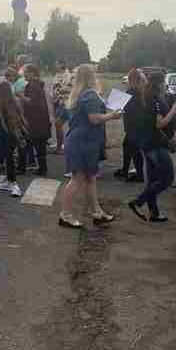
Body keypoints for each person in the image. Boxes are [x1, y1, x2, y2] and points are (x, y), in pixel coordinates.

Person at [59, 64, 121, 228]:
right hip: (83, 141)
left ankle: (97, 212)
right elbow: (94, 119)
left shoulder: (81, 93)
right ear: (91, 76)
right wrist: (112, 115)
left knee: (90, 178)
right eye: (95, 73)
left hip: (83, 140)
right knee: (78, 179)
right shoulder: (90, 94)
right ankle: (65, 215)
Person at [128, 72, 176, 223]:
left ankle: (154, 213)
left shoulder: (147, 97)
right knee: (167, 178)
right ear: (159, 83)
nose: (166, 85)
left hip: (148, 144)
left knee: (152, 181)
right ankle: (138, 202)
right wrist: (173, 112)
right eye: (165, 82)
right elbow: (159, 123)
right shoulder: (155, 100)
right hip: (156, 144)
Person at [0, 81, 28, 198]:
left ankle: (13, 184)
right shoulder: (15, 101)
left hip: (5, 134)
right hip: (16, 133)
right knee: (10, 159)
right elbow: (21, 118)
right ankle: (10, 181)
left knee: (9, 159)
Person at [114, 68, 146, 182]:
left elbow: (127, 108)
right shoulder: (140, 91)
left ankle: (139, 175)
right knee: (127, 146)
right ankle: (125, 169)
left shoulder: (132, 92)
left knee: (134, 149)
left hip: (134, 125)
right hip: (137, 125)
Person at [21, 64, 51, 176]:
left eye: (26, 72)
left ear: (32, 73)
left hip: (35, 120)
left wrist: (21, 96)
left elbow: (32, 102)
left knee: (34, 144)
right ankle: (41, 168)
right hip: (40, 120)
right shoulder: (37, 84)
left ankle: (35, 168)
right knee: (39, 146)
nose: (24, 74)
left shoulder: (33, 86)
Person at [51, 61, 73, 153]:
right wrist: (54, 97)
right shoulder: (56, 76)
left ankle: (70, 146)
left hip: (68, 104)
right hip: (59, 103)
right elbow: (53, 88)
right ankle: (60, 146)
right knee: (57, 124)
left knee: (72, 126)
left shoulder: (70, 76)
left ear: (62, 65)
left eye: (57, 64)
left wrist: (60, 91)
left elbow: (70, 88)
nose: (55, 65)